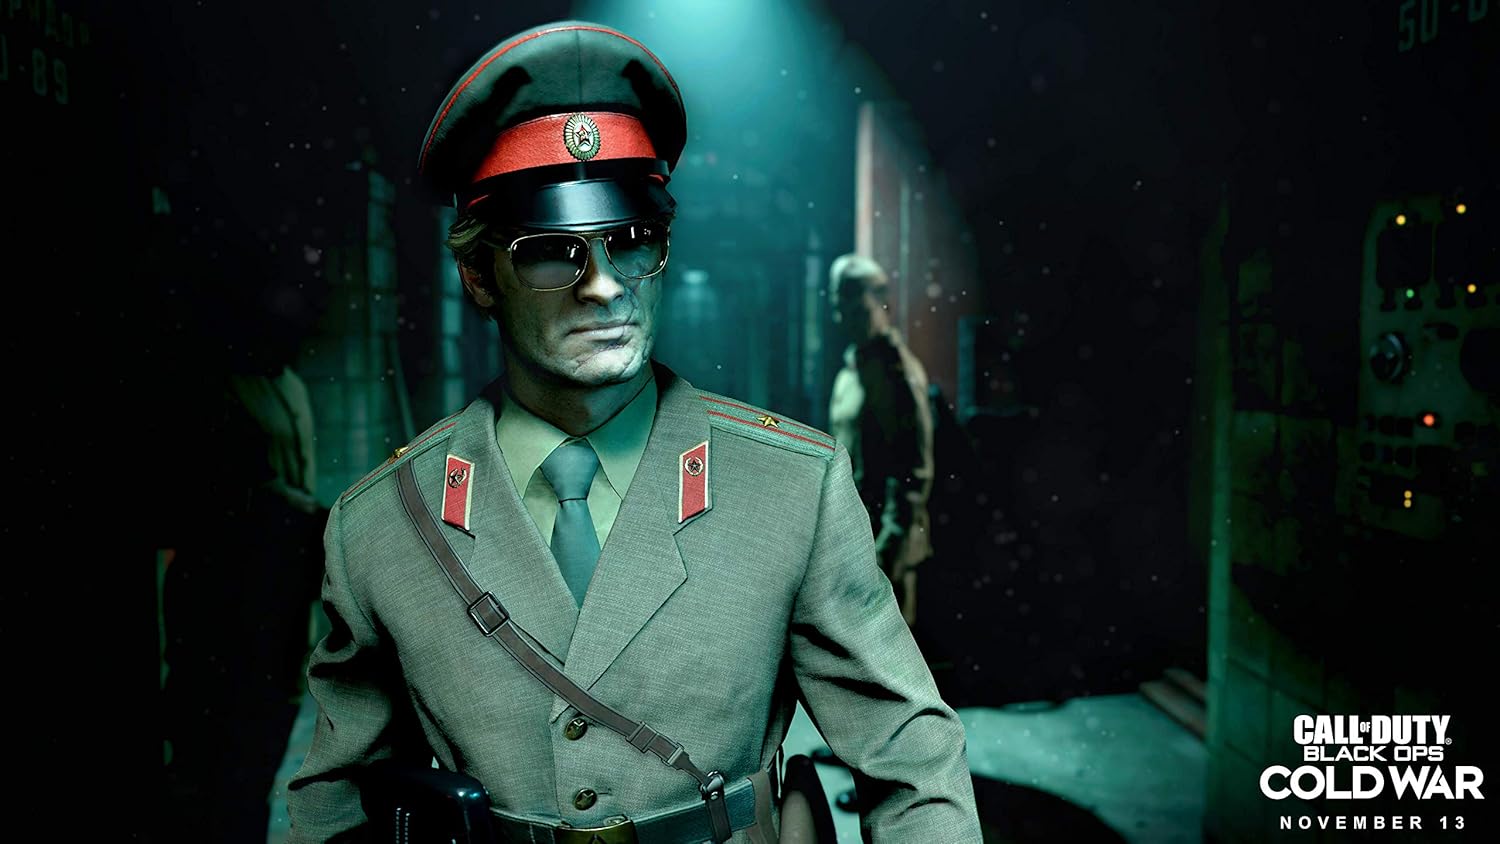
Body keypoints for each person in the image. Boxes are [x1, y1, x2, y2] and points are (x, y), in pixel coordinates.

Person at [286, 20, 979, 844]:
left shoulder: (791, 488)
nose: (605, 287)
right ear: (478, 275)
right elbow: (336, 805)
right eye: (553, 253)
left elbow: (912, 756)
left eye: (632, 242)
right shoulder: (381, 527)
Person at [160, 236, 328, 843]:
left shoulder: (290, 385)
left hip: (280, 607)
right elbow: (235, 495)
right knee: (212, 763)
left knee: (260, 756)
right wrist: (323, 519)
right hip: (225, 605)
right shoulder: (219, 389)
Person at [826, 254, 936, 629]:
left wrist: (886, 554)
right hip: (853, 546)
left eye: (854, 303)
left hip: (884, 553)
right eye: (839, 303)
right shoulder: (851, 370)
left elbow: (914, 473)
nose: (843, 314)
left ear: (879, 302)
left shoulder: (895, 374)